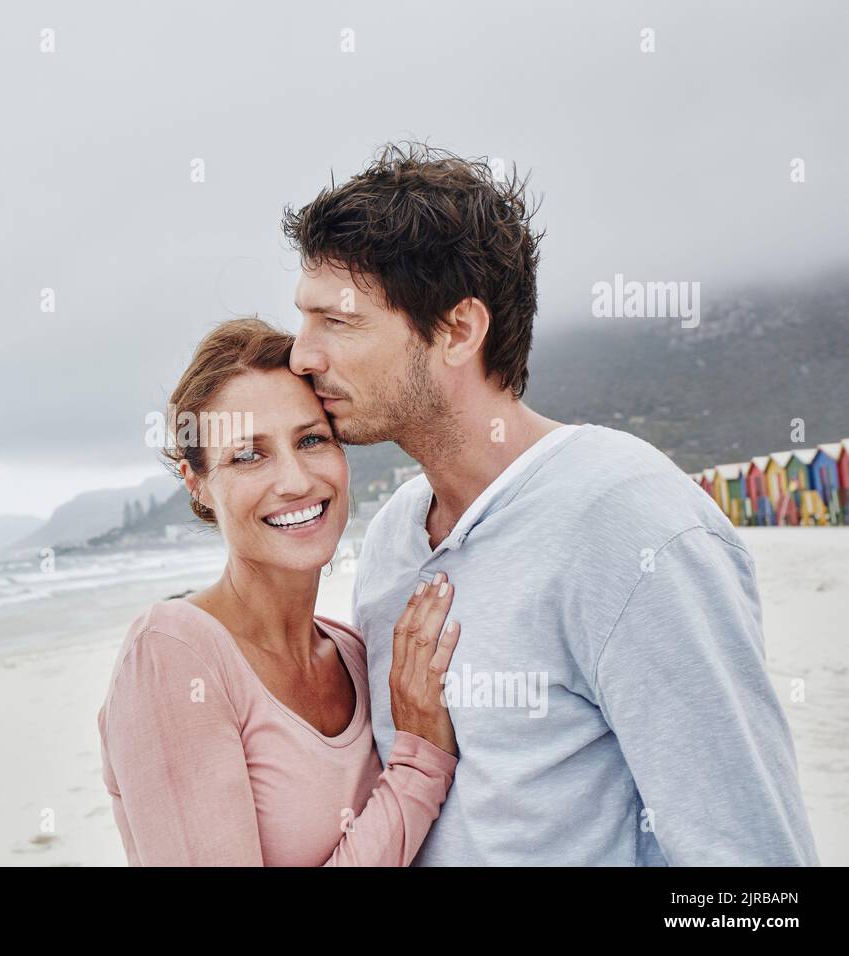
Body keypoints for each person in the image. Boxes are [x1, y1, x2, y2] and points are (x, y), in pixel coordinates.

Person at [280, 142, 819, 865]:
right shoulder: (391, 541)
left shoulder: (630, 523)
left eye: (337, 322)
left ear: (458, 331)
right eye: (303, 321)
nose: (301, 357)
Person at [97, 318, 461, 866]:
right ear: (197, 483)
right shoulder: (173, 654)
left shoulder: (355, 653)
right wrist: (418, 768)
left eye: (312, 439)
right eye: (249, 455)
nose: (294, 480)